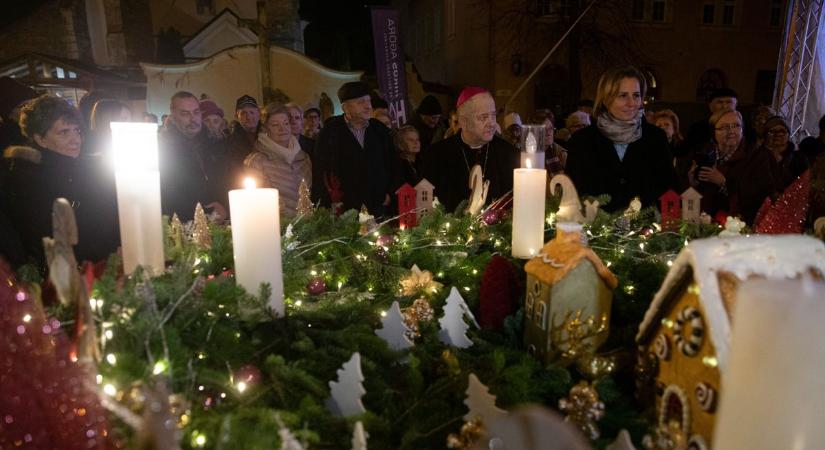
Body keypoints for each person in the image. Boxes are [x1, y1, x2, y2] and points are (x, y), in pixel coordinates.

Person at [0, 95, 118, 269]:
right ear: (41, 139)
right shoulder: (28, 179)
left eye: (77, 130)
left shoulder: (85, 167)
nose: (75, 139)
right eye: (64, 132)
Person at [565, 66, 676, 211]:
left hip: (646, 230)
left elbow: (669, 188)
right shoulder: (582, 140)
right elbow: (573, 194)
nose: (631, 103)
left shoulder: (656, 137)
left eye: (636, 95)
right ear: (605, 99)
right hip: (594, 229)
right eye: (622, 95)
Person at [422, 87, 519, 212]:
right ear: (463, 121)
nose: (492, 123)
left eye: (493, 115)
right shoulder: (436, 155)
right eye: (483, 117)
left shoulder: (510, 154)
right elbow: (425, 206)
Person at [311, 81, 396, 216]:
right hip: (345, 211)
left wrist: (390, 195)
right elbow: (321, 171)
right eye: (361, 102)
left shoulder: (380, 130)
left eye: (368, 101)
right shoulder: (330, 133)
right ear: (346, 108)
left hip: (379, 206)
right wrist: (328, 203)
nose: (368, 106)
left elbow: (393, 165)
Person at [688, 109, 776, 224]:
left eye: (736, 126)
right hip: (706, 222)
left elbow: (760, 193)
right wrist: (693, 183)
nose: (731, 131)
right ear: (713, 132)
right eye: (724, 127)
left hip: (740, 225)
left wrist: (724, 182)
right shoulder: (705, 153)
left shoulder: (758, 155)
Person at [159, 91, 229, 222]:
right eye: (185, 114)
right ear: (173, 117)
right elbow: (169, 197)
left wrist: (225, 206)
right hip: (186, 227)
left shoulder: (214, 143)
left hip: (223, 221)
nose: (193, 119)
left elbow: (228, 180)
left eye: (196, 112)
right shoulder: (164, 150)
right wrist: (209, 214)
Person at [244, 106, 312, 217]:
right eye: (275, 125)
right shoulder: (256, 161)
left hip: (308, 224)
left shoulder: (304, 157)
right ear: (266, 129)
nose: (282, 129)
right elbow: (258, 203)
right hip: (277, 226)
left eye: (286, 123)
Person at [680, 88, 739, 159]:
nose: (724, 106)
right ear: (710, 106)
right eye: (720, 102)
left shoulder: (746, 129)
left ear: (736, 105)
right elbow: (686, 151)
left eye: (728, 102)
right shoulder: (697, 128)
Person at [761, 116, 809, 191]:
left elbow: (805, 184)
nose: (778, 134)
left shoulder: (799, 158)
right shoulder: (757, 157)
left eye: (782, 131)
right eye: (772, 131)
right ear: (766, 135)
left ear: (788, 134)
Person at [226, 94, 261, 171]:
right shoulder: (231, 142)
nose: (248, 117)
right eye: (243, 113)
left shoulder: (269, 135)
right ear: (237, 116)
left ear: (258, 114)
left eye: (251, 112)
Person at [532, 110, 567, 175]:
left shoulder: (561, 154)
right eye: (544, 129)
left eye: (550, 128)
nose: (548, 133)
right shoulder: (527, 152)